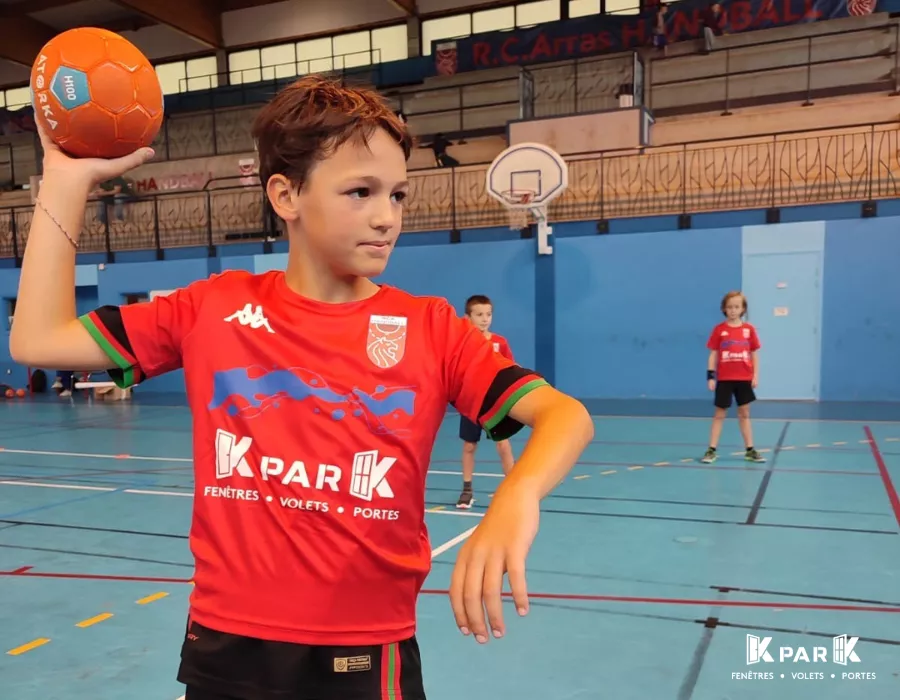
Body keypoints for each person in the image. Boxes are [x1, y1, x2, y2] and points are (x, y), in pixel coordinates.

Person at [10, 76, 595, 700]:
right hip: (227, 645)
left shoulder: (432, 328)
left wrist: (517, 495)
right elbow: (37, 342)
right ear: (286, 195)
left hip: (367, 647)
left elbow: (565, 416)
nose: (385, 217)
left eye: (397, 195)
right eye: (360, 192)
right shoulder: (211, 308)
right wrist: (65, 185)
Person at [456, 294, 516, 509]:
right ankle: (467, 489)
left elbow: (510, 371)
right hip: (471, 403)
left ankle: (513, 487)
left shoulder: (500, 342)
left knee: (503, 444)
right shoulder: (462, 344)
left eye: (488, 314)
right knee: (470, 446)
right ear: (468, 317)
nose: (485, 319)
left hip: (495, 404)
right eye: (479, 314)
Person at [701, 291, 765, 464]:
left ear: (743, 309)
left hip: (744, 378)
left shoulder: (748, 330)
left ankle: (750, 450)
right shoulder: (719, 330)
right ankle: (711, 449)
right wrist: (711, 376)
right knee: (719, 413)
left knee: (744, 413)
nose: (733, 310)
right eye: (729, 307)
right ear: (724, 309)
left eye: (737, 307)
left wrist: (755, 376)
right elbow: (713, 354)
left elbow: (754, 354)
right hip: (725, 379)